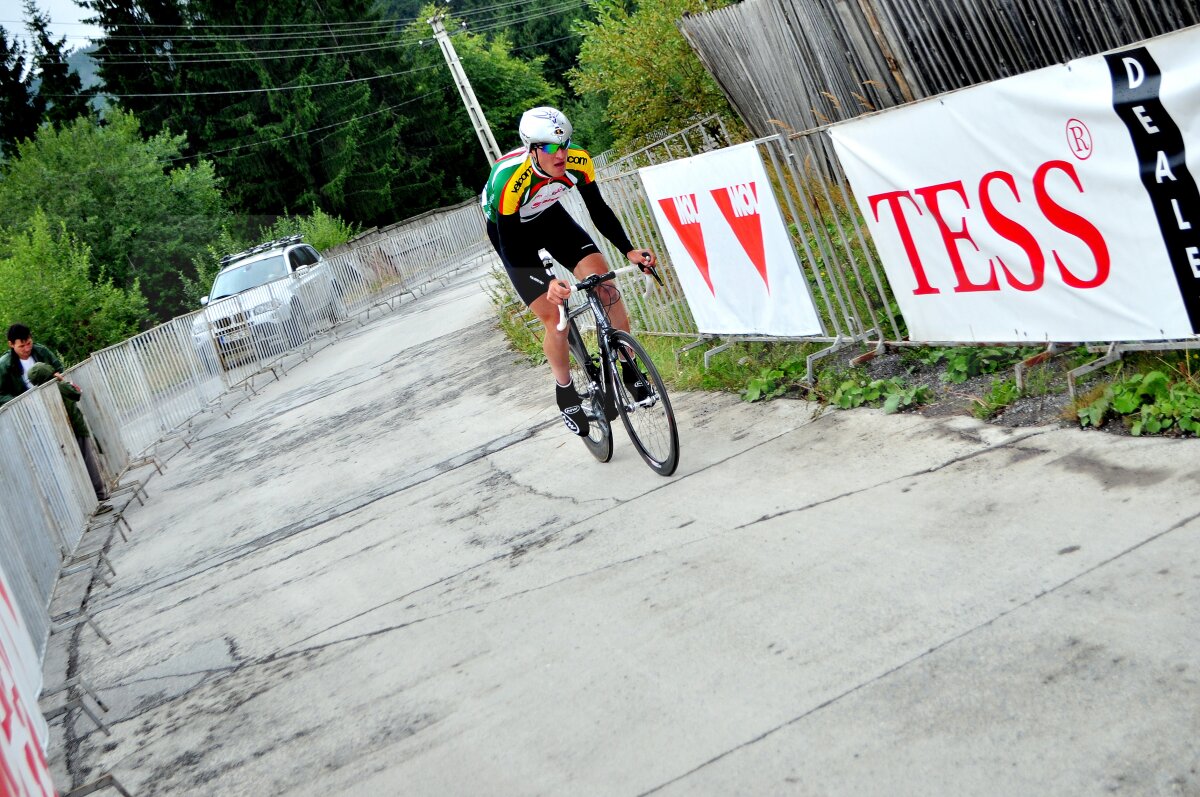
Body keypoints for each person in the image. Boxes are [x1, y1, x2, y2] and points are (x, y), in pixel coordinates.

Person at [481, 106, 658, 436]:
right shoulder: (510, 179)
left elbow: (599, 211)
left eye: (564, 144)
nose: (560, 154)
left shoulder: (578, 161)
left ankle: (629, 366)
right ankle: (565, 390)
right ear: (532, 149)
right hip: (511, 232)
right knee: (555, 318)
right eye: (549, 148)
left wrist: (629, 250)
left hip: (550, 218)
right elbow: (513, 248)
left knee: (605, 286)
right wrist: (548, 282)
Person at [26, 362, 111, 508]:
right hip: (77, 428)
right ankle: (100, 494)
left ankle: (84, 501)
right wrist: (63, 380)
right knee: (88, 460)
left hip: (59, 434)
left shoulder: (37, 395)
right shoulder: (60, 387)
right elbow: (77, 392)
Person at [1, 323, 65, 407]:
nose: (27, 349)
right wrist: (19, 401)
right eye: (22, 346)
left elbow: (60, 369)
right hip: (26, 408)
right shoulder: (4, 365)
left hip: (52, 397)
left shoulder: (41, 351)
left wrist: (55, 375)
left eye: (29, 343)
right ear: (11, 344)